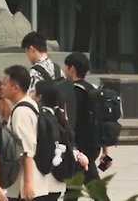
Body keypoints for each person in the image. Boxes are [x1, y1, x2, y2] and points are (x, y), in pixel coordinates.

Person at [2, 66, 65, 201]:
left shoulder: (21, 112)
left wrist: (28, 183)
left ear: (15, 88)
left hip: (26, 184)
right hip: (34, 180)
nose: (2, 87)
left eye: (4, 84)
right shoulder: (30, 104)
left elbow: (27, 150)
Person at [61, 52, 105, 197]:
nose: (65, 71)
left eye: (66, 67)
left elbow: (70, 121)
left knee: (79, 185)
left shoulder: (73, 91)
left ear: (72, 69)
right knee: (80, 184)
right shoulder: (92, 89)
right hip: (93, 145)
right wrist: (106, 151)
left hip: (79, 146)